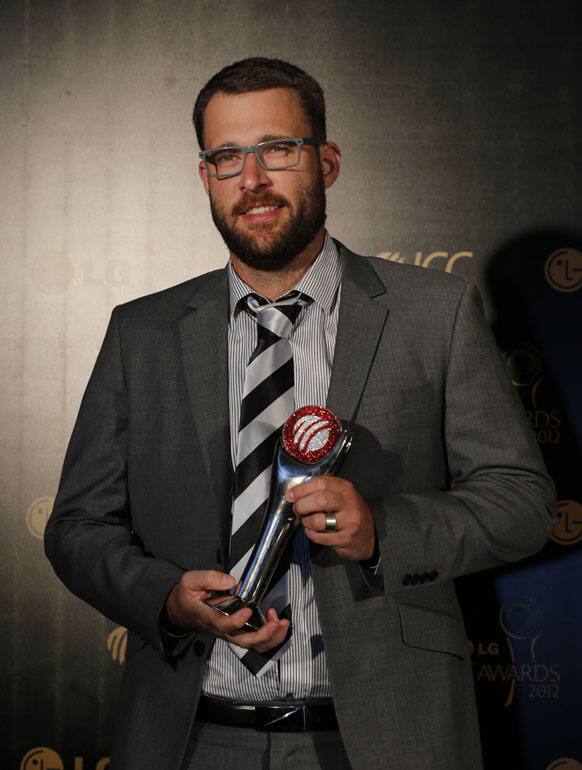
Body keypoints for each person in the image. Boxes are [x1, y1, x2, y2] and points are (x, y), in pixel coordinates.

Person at [44, 57, 555, 770]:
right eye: (227, 156)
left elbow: (523, 502)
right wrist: (167, 597)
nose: (251, 179)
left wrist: (384, 531)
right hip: (191, 741)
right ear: (205, 177)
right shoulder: (144, 332)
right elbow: (76, 526)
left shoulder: (431, 313)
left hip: (383, 740)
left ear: (328, 160)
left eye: (277, 150)